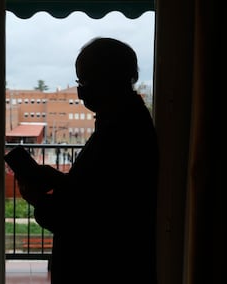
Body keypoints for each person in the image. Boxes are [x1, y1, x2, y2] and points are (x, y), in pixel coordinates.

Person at [17, 37, 159, 283]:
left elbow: (90, 221)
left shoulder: (121, 131)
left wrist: (38, 200)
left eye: (84, 80)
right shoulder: (127, 120)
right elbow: (96, 191)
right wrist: (57, 179)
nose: (80, 90)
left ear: (108, 79)